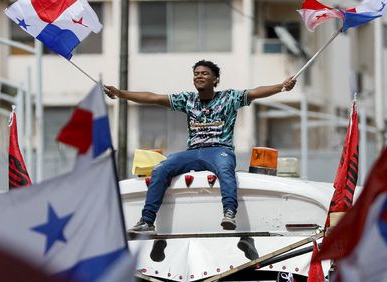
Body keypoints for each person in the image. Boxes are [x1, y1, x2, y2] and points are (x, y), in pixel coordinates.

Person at [105, 60, 296, 233]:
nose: (199, 76)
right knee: (161, 168)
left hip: (220, 150)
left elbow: (256, 91)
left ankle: (229, 212)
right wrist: (121, 94)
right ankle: (147, 221)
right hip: (193, 152)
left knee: (225, 169)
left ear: (215, 79)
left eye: (204, 73)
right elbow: (153, 98)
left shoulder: (230, 98)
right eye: (196, 73)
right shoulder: (187, 100)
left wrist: (281, 87)